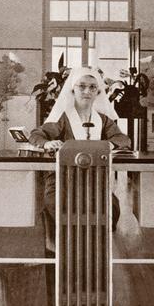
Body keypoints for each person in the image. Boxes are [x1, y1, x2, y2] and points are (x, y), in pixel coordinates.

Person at [29, 66, 131, 252]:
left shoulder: (103, 120)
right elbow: (37, 134)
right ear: (72, 89)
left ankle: (93, 257)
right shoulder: (62, 118)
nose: (87, 91)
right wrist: (47, 144)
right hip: (62, 183)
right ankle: (66, 255)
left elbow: (123, 139)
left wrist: (111, 144)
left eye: (93, 87)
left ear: (98, 92)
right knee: (63, 210)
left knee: (111, 208)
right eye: (82, 86)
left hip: (94, 183)